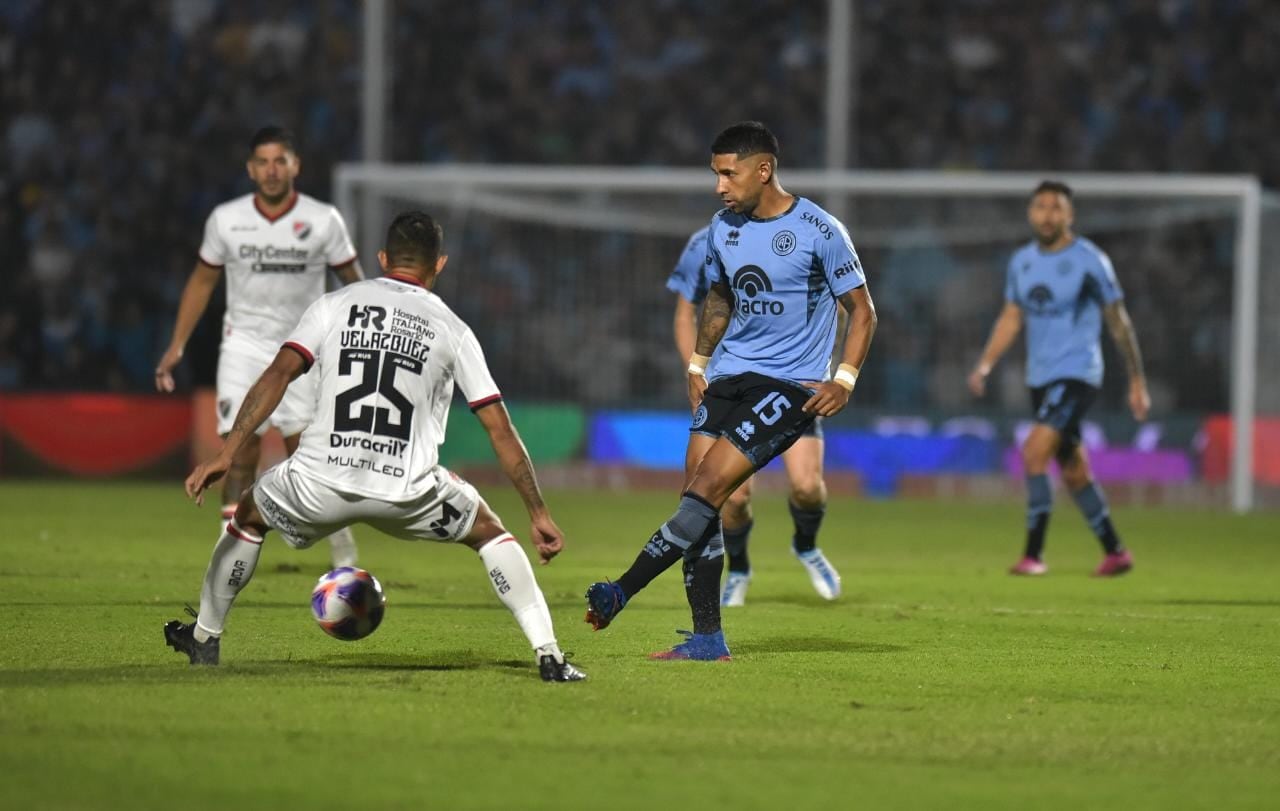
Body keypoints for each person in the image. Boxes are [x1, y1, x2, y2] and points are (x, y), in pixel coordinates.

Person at [163, 210, 586, 682]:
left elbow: (279, 374)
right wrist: (538, 513)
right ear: (439, 264)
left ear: (383, 258)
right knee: (490, 534)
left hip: (318, 481)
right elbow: (500, 430)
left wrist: (227, 452)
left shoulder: (335, 304)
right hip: (409, 491)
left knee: (247, 516)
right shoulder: (453, 329)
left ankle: (204, 639)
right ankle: (549, 655)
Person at [585, 122, 877, 659]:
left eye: (728, 173)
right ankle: (707, 637)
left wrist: (844, 377)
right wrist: (698, 363)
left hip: (789, 387)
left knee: (707, 493)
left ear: (762, 170)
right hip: (727, 378)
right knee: (698, 501)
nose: (719, 186)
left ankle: (621, 589)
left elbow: (863, 310)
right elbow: (719, 296)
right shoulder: (723, 228)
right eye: (715, 174)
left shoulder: (819, 228)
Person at [155, 126, 363, 568]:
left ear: (295, 166)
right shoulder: (226, 220)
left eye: (279, 161)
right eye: (263, 162)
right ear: (251, 170)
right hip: (243, 347)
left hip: (303, 352)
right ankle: (227, 557)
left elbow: (352, 282)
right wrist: (177, 345)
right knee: (239, 449)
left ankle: (344, 558)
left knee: (308, 455)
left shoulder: (324, 220)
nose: (271, 170)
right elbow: (203, 280)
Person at [967, 180, 1150, 577]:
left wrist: (1137, 379)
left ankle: (1034, 555)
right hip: (1041, 377)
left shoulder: (1090, 261)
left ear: (1070, 215)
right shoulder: (1022, 262)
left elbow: (1118, 321)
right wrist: (985, 364)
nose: (1047, 214)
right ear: (1031, 213)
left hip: (1078, 373)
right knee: (1074, 470)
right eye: (1040, 206)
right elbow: (1012, 317)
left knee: (1034, 453)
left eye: (1056, 207)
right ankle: (1115, 551)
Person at [668, 226, 841, 606]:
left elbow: (843, 302)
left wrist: (826, 364)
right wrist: (696, 372)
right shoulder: (705, 241)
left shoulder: (801, 234)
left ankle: (806, 546)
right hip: (732, 384)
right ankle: (741, 569)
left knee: (807, 487)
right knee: (733, 499)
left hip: (789, 382)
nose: (723, 187)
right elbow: (686, 314)